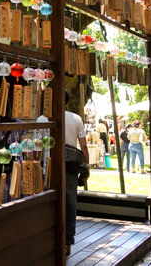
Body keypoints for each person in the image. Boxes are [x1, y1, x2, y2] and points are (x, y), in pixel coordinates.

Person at [64, 90, 90, 256]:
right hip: (71, 167)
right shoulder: (76, 118)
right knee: (70, 204)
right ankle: (68, 244)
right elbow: (84, 147)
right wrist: (86, 168)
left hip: (50, 167)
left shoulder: (43, 119)